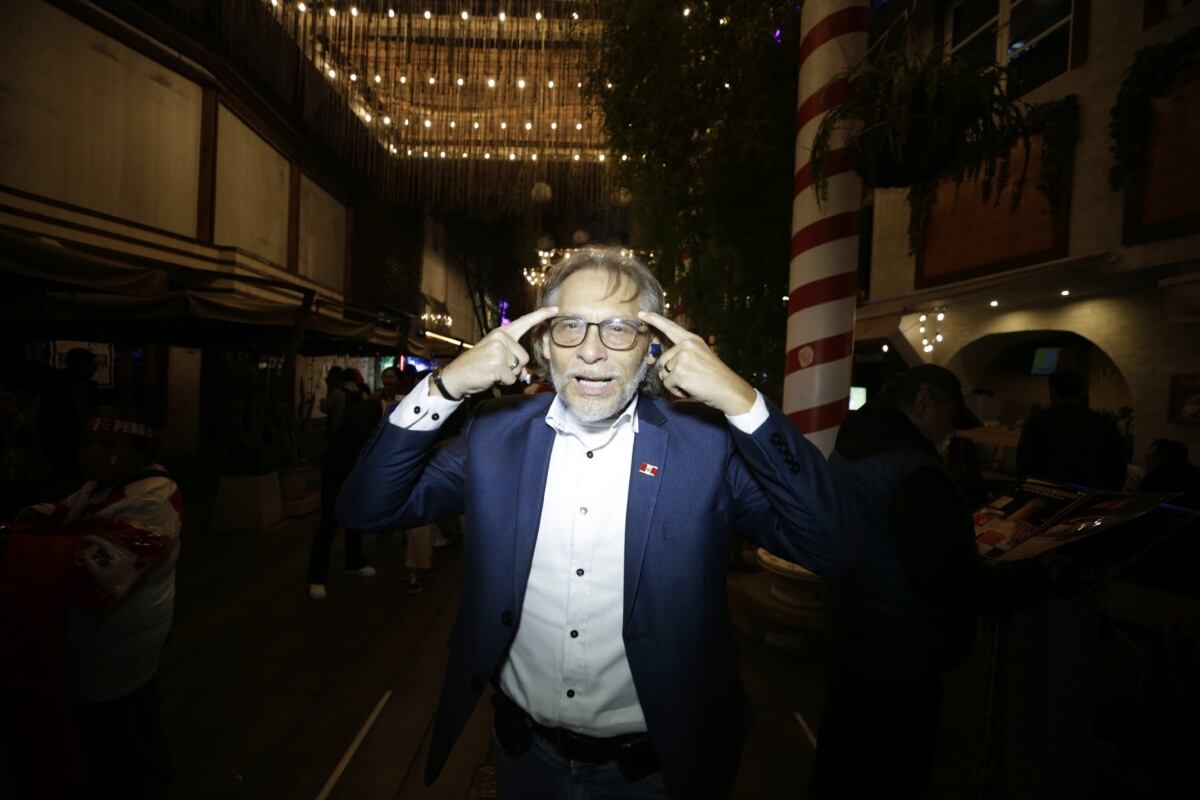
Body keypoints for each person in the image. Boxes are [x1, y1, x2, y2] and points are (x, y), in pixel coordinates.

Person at [337, 246, 854, 799]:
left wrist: (743, 402)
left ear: (651, 348)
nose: (591, 352)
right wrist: (444, 387)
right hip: (523, 758)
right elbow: (365, 508)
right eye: (571, 327)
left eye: (618, 329)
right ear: (542, 345)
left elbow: (832, 546)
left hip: (656, 772)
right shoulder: (496, 436)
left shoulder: (705, 447)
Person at [811, 365, 1041, 799]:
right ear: (923, 402)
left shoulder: (854, 446)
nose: (951, 431)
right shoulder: (913, 471)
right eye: (950, 416)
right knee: (894, 771)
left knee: (842, 753)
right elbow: (944, 576)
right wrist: (1027, 584)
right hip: (902, 650)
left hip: (854, 629)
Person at [2, 407, 182, 798]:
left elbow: (96, 573)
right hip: (98, 644)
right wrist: (39, 519)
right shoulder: (102, 486)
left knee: (129, 739)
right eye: (87, 442)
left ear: (140, 453)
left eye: (108, 444)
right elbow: (68, 511)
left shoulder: (153, 501)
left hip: (123, 647)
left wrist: (22, 547)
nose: (92, 452)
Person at [306, 368, 379, 599]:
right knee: (330, 519)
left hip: (354, 465)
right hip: (338, 464)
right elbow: (354, 428)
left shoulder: (367, 402)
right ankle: (316, 577)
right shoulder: (368, 407)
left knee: (353, 515)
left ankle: (354, 562)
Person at [1016, 369, 1127, 490]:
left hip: (1047, 496)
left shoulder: (1037, 421)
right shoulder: (1104, 424)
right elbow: (1118, 470)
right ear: (1081, 392)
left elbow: (1024, 466)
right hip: (1091, 499)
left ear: (1053, 391)